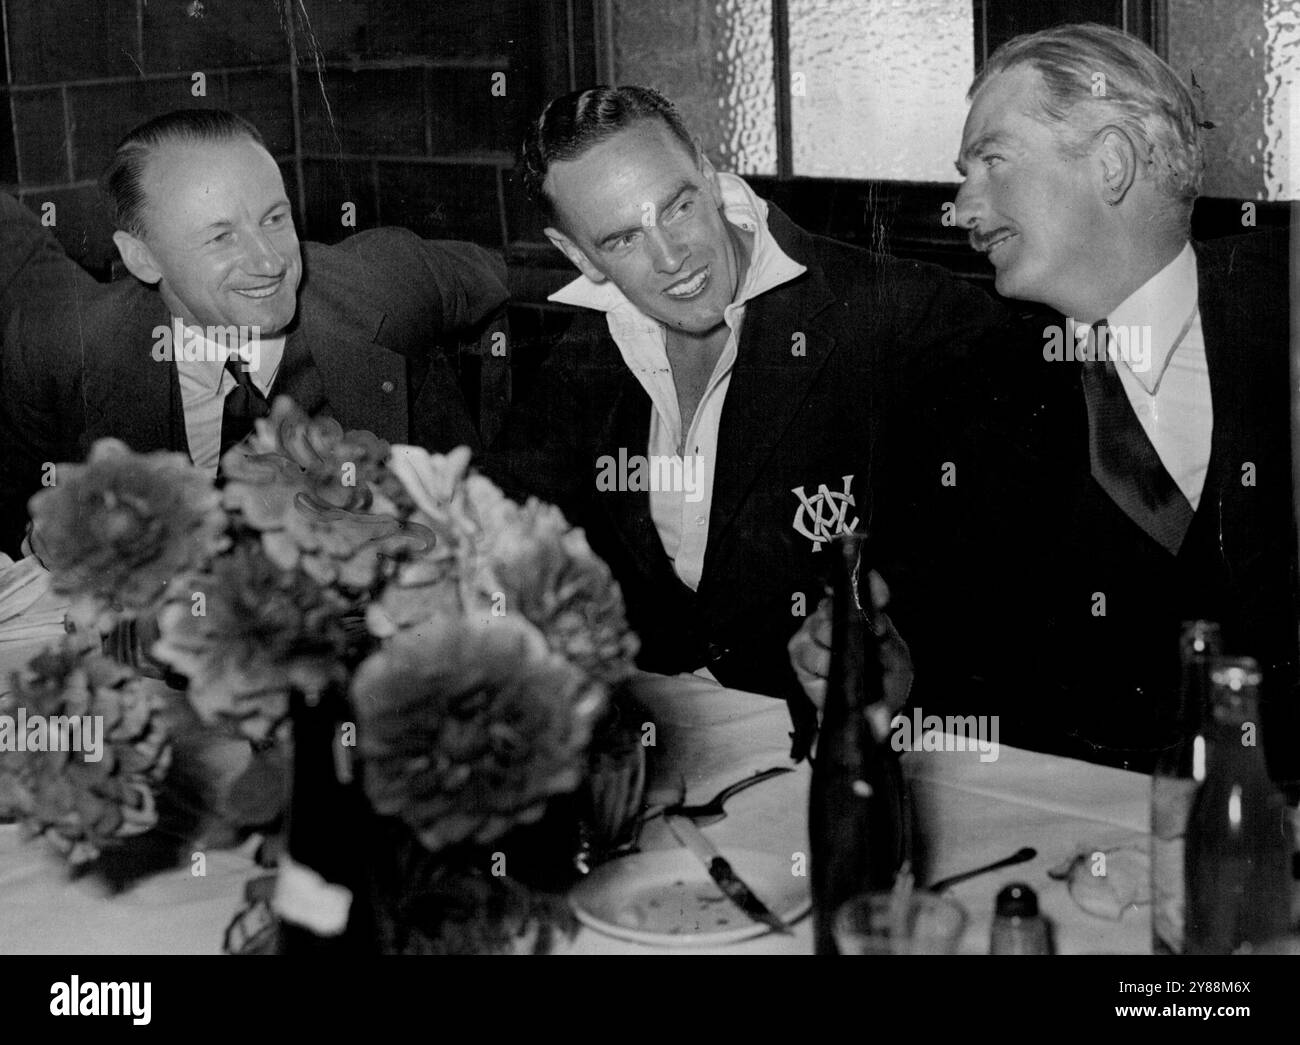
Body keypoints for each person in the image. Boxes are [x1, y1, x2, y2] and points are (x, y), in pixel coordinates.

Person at [798, 23, 1296, 775]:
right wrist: (887, 669)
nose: (962, 209)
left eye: (992, 161)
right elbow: (936, 652)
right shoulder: (971, 390)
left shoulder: (1282, 303)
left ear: (1112, 163)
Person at [481, 85, 1012, 757]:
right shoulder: (585, 354)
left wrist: (894, 638)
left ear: (708, 172)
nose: (672, 258)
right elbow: (498, 527)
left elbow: (995, 568)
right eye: (622, 238)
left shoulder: (906, 317)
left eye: (678, 205)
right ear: (578, 253)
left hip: (854, 758)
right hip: (672, 763)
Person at [0, 108, 508, 555]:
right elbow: (19, 523)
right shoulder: (63, 348)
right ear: (143, 257)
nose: (269, 261)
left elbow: (505, 275)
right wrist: (45, 538)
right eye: (221, 237)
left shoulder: (378, 287)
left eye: (274, 218)